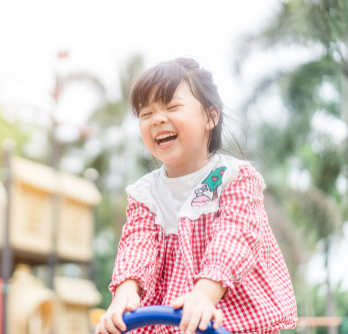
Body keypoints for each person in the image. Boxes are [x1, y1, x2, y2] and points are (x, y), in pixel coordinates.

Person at [97, 58, 297, 334]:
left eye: (172, 106)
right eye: (146, 114)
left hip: (234, 317)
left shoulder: (232, 176)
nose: (157, 119)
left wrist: (204, 294)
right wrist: (125, 293)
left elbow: (236, 237)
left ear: (210, 117)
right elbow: (136, 246)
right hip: (172, 319)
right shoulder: (146, 194)